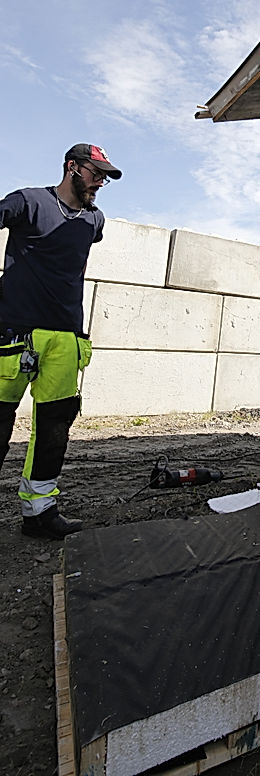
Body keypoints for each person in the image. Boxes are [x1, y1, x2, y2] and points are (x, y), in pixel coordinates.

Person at [0, 143, 122, 538]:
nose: (100, 182)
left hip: (66, 337)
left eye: (105, 176)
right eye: (95, 173)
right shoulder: (28, 202)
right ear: (72, 168)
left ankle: (39, 512)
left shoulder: (93, 221)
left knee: (53, 430)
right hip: (14, 334)